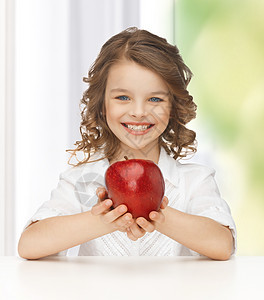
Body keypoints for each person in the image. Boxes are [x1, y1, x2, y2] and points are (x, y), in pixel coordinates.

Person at [18, 27, 236, 260]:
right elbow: (29, 245)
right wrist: (101, 219)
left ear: (173, 108)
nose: (139, 112)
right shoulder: (81, 181)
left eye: (155, 99)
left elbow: (222, 245)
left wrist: (158, 214)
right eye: (123, 97)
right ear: (102, 105)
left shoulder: (194, 181)